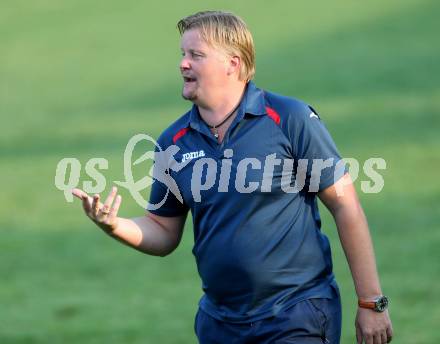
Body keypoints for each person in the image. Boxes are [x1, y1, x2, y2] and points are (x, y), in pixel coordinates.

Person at [72, 10, 393, 344]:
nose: (183, 64)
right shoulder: (174, 142)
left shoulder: (289, 118)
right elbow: (163, 230)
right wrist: (113, 224)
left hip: (296, 313)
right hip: (221, 323)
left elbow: (346, 207)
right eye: (182, 54)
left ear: (233, 64)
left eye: (196, 55)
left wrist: (371, 301)